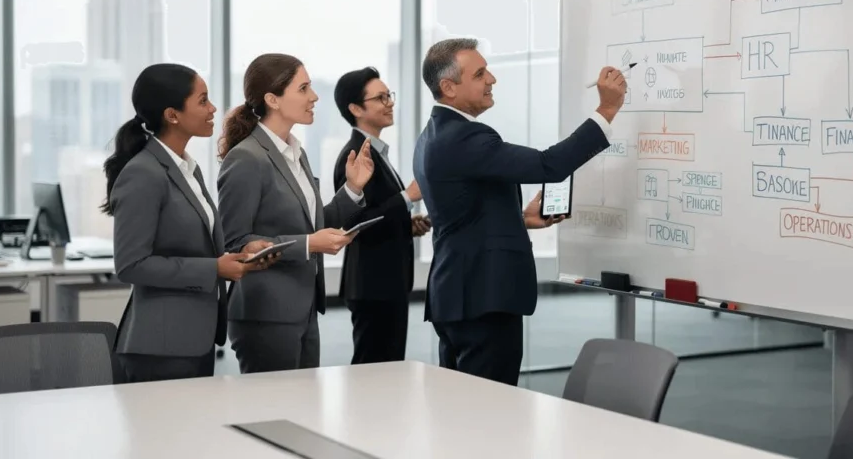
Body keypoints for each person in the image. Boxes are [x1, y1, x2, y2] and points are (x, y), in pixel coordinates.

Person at [413, 38, 626, 386]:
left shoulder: (434, 135)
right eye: (480, 73)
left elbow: (464, 214)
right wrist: (606, 111)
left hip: (460, 294)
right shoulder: (465, 138)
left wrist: (522, 218)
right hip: (482, 298)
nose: (492, 79)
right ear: (448, 87)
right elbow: (549, 165)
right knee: (489, 412)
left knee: (461, 409)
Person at [102, 63, 280, 383]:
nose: (213, 109)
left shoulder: (187, 169)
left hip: (194, 339)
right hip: (160, 346)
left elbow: (196, 241)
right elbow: (131, 265)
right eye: (202, 101)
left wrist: (242, 248)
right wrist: (214, 269)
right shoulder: (144, 173)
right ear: (172, 115)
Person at [217, 53, 375, 373]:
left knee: (303, 412)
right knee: (272, 413)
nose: (314, 97)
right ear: (272, 99)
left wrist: (353, 189)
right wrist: (308, 245)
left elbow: (315, 224)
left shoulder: (295, 151)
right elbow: (235, 242)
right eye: (303, 89)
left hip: (302, 310)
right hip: (265, 313)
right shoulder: (247, 158)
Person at [331, 67, 432, 365]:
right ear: (355, 109)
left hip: (385, 282)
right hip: (373, 284)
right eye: (380, 97)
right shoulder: (354, 155)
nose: (389, 103)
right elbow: (352, 223)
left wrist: (406, 222)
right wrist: (407, 197)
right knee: (372, 372)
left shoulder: (377, 153)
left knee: (386, 371)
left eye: (389, 95)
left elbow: (375, 212)